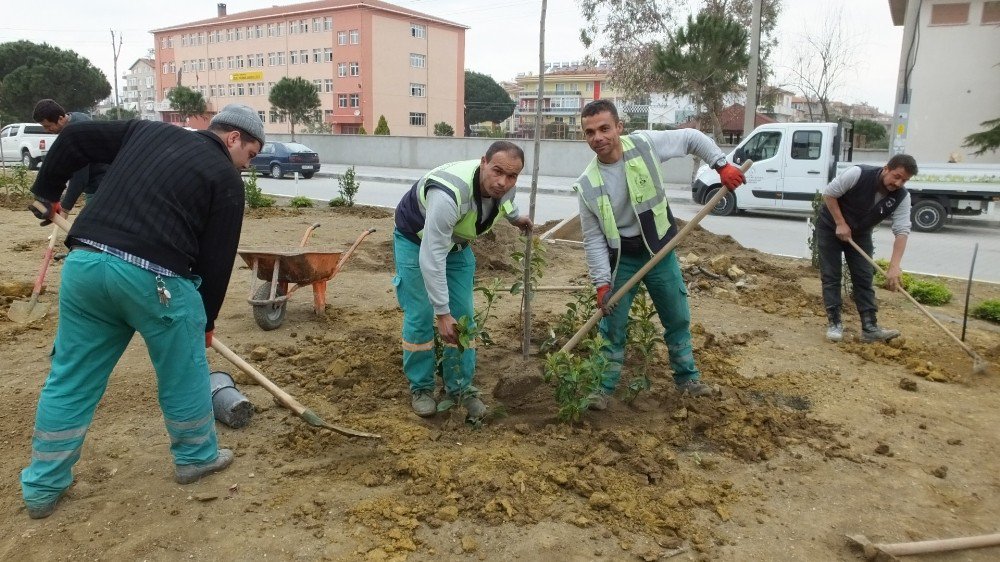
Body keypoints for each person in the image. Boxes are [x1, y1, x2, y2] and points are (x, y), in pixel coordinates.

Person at [21, 104, 264, 519]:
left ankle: (42, 488)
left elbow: (76, 139)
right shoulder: (225, 178)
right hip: (157, 281)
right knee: (185, 372)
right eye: (251, 155)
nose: (246, 166)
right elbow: (217, 260)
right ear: (232, 138)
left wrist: (46, 192)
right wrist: (206, 321)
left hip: (85, 266)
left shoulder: (146, 132)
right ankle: (195, 457)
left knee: (70, 379)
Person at [573, 99, 745, 410]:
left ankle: (687, 379)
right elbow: (593, 239)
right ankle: (603, 388)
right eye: (589, 132)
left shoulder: (644, 145)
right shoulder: (588, 184)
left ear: (619, 127)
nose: (598, 137)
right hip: (621, 259)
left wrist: (721, 164)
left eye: (604, 129)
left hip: (659, 250)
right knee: (612, 325)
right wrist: (601, 284)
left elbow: (692, 138)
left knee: (676, 316)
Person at [393, 141, 533, 420]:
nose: (503, 182)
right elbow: (431, 257)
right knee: (421, 314)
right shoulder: (449, 195)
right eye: (497, 171)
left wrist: (517, 218)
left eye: (512, 176)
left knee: (465, 317)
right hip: (416, 241)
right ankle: (421, 387)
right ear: (483, 162)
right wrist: (442, 313)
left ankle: (459, 387)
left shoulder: (504, 186)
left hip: (457, 246)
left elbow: (505, 202)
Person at [816, 154, 917, 343]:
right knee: (831, 276)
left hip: (860, 234)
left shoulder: (902, 197)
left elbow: (902, 231)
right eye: (897, 176)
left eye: (904, 180)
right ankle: (835, 323)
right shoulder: (858, 173)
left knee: (864, 277)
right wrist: (840, 223)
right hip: (830, 227)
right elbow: (829, 194)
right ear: (886, 168)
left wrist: (894, 266)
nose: (899, 183)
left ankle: (870, 328)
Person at [32, 99, 108, 214]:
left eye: (48, 126)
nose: (46, 130)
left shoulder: (77, 133)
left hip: (100, 189)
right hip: (103, 184)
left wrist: (65, 208)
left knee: (90, 227)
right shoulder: (77, 118)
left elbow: (80, 177)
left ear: (60, 119)